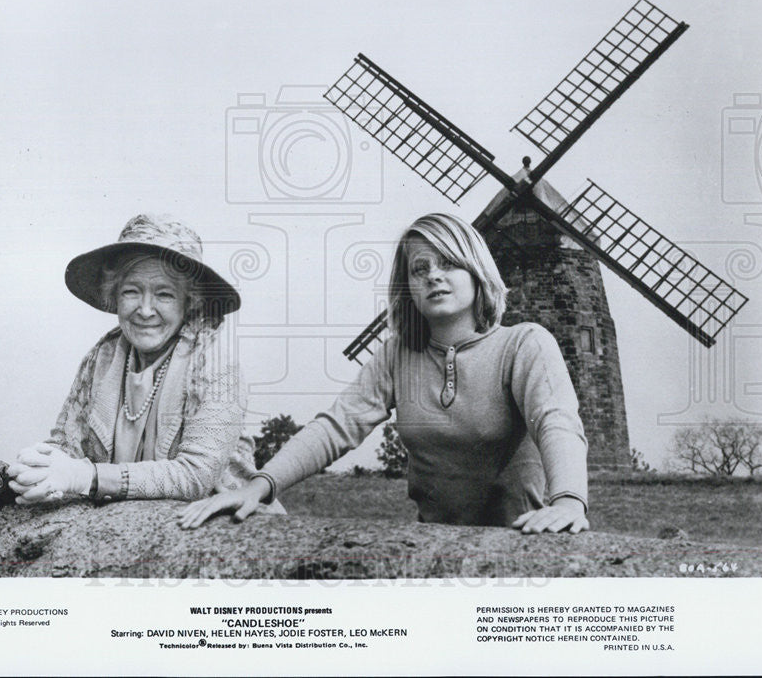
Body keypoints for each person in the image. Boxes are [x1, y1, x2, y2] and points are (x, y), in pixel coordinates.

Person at [180, 212, 588, 533]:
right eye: (419, 268)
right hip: (436, 540)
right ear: (407, 285)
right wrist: (260, 485)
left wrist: (568, 501)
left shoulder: (523, 344)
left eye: (448, 262)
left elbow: (556, 420)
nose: (433, 275)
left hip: (522, 536)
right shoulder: (398, 355)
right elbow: (336, 426)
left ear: (476, 269)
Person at [8, 213, 280, 510]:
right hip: (124, 526)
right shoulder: (101, 358)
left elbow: (196, 476)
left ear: (189, 302)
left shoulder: (215, 364)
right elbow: (66, 446)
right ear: (115, 296)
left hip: (220, 525)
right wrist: (38, 468)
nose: (145, 310)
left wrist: (88, 477)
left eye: (164, 294)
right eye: (131, 292)